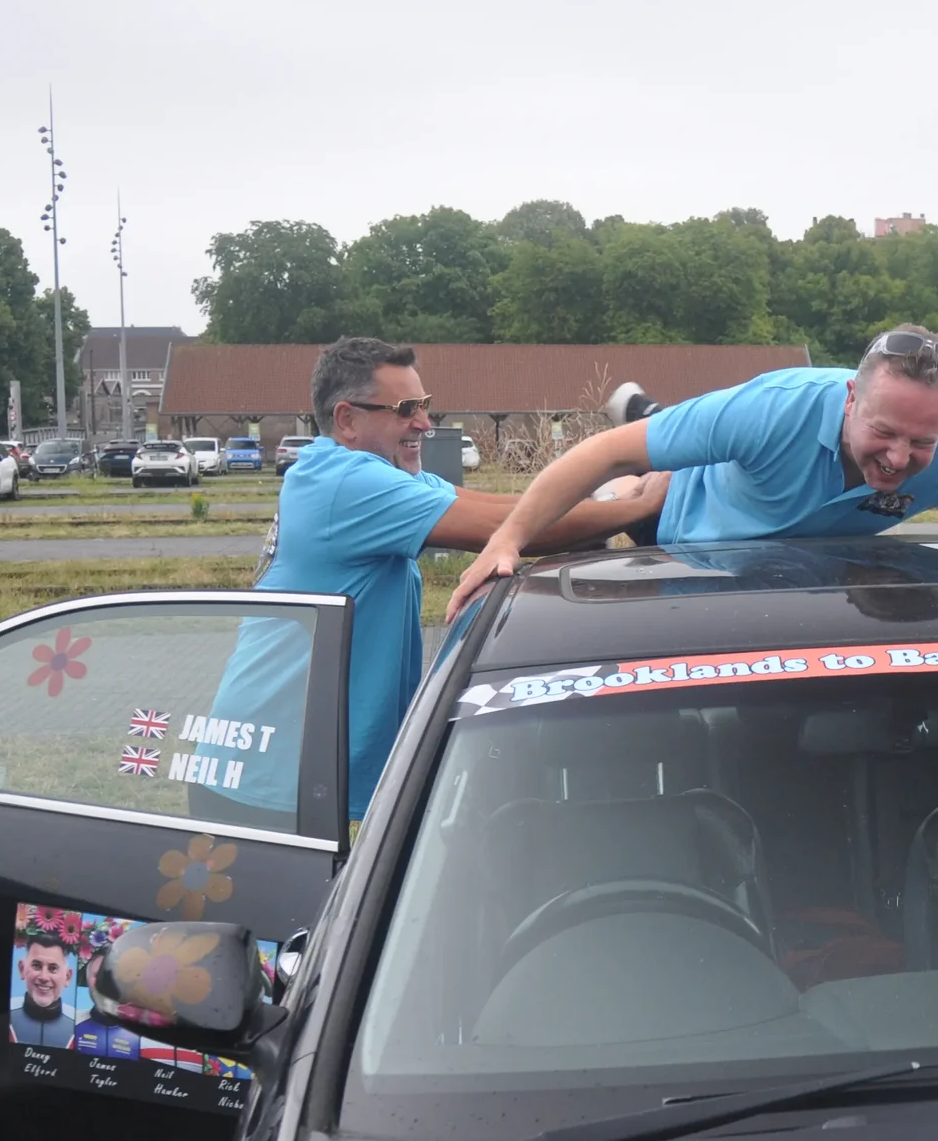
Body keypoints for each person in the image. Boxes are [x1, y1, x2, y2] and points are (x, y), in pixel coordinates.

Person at [446, 326, 938, 619]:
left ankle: (661, 410)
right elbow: (599, 454)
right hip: (684, 530)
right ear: (850, 398)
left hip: (809, 557)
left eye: (922, 445)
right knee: (629, 485)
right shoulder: (776, 407)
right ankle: (654, 412)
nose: (899, 457)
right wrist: (510, 541)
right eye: (885, 432)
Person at [209, 337, 659, 821]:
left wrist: (614, 492)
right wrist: (642, 506)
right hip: (264, 781)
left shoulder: (372, 473)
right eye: (405, 409)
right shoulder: (348, 484)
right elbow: (508, 534)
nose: (424, 422)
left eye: (424, 405)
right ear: (347, 420)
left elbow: (514, 512)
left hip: (289, 769)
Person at [11, 936, 78, 1048]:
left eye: (53, 968)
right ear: (22, 969)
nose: (44, 977)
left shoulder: (79, 1026)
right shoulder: (4, 1014)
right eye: (36, 966)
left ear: (67, 977)